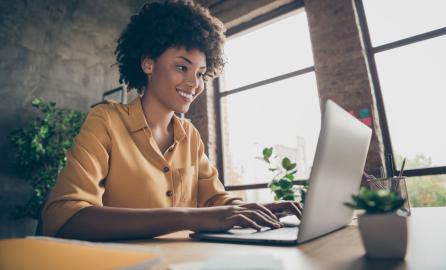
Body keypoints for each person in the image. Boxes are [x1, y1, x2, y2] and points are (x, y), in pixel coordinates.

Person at [42, 0, 302, 241]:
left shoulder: (189, 135)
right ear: (148, 64)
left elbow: (215, 201)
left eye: (201, 73)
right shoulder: (106, 121)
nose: (194, 83)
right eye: (182, 67)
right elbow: (65, 218)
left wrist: (252, 209)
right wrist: (187, 216)